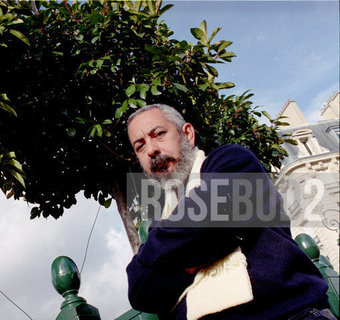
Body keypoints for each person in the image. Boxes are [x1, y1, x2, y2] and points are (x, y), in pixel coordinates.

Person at [126, 104, 334, 320]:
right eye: (140, 146)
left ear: (187, 134)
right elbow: (139, 290)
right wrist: (189, 260)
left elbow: (204, 220)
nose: (151, 150)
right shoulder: (160, 218)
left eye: (159, 134)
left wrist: (162, 258)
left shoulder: (232, 161)